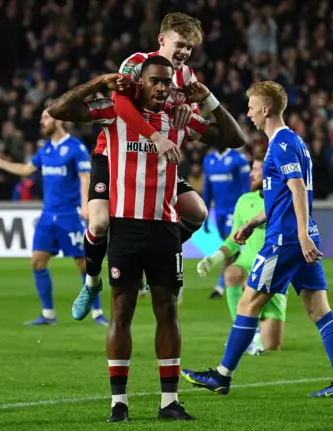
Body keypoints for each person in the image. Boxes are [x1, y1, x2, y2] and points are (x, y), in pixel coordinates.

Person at [47, 56, 246, 421]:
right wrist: (98, 82)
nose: (162, 88)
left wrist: (208, 99)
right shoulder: (113, 113)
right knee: (121, 312)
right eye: (155, 81)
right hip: (126, 227)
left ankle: (169, 402)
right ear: (139, 82)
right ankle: (118, 403)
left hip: (165, 227)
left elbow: (236, 139)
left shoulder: (179, 119)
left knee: (167, 312)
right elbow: (59, 109)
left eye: (167, 82)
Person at [182, 81, 333, 398]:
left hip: (286, 240)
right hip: (293, 234)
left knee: (248, 302)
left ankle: (221, 376)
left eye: (251, 107)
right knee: (319, 309)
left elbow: (298, 189)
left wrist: (301, 234)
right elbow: (282, 197)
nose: (248, 113)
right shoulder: (294, 143)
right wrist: (254, 221)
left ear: (265, 109)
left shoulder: (282, 144)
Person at [81, 13, 207, 305]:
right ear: (162, 39)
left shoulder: (187, 77)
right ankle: (91, 282)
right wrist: (155, 137)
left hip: (154, 161)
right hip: (115, 153)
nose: (185, 52)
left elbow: (182, 116)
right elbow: (121, 107)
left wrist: (188, 112)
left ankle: (162, 262)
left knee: (197, 213)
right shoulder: (136, 64)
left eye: (190, 47)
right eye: (180, 44)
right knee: (99, 223)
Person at [0, 110, 108, 326]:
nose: (42, 121)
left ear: (59, 120)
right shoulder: (45, 150)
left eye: (46, 117)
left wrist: (86, 207)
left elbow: (86, 178)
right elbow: (26, 170)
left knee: (83, 263)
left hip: (70, 215)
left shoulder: (76, 148)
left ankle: (97, 313)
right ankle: (48, 314)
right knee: (37, 262)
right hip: (48, 216)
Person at [197, 150, 286, 355]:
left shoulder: (285, 199)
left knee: (273, 345)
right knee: (232, 273)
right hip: (248, 264)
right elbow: (234, 239)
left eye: (256, 169)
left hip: (275, 269)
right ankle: (245, 333)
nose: (251, 174)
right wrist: (214, 258)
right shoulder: (245, 200)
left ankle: (250, 331)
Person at [202, 144, 251, 300]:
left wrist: (247, 211)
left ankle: (221, 285)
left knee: (230, 244)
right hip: (220, 212)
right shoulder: (208, 161)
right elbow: (207, 189)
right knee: (232, 248)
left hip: (234, 210)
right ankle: (243, 281)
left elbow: (246, 189)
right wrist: (205, 216)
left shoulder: (239, 159)